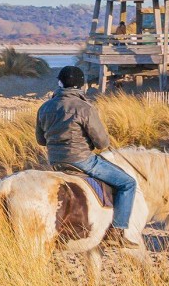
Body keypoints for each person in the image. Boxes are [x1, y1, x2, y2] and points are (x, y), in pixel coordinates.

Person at [35, 66, 139, 248]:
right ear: (81, 85)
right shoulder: (85, 108)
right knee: (127, 183)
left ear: (60, 83)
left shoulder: (45, 107)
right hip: (82, 161)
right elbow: (102, 143)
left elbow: (41, 140)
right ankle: (118, 231)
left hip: (55, 161)